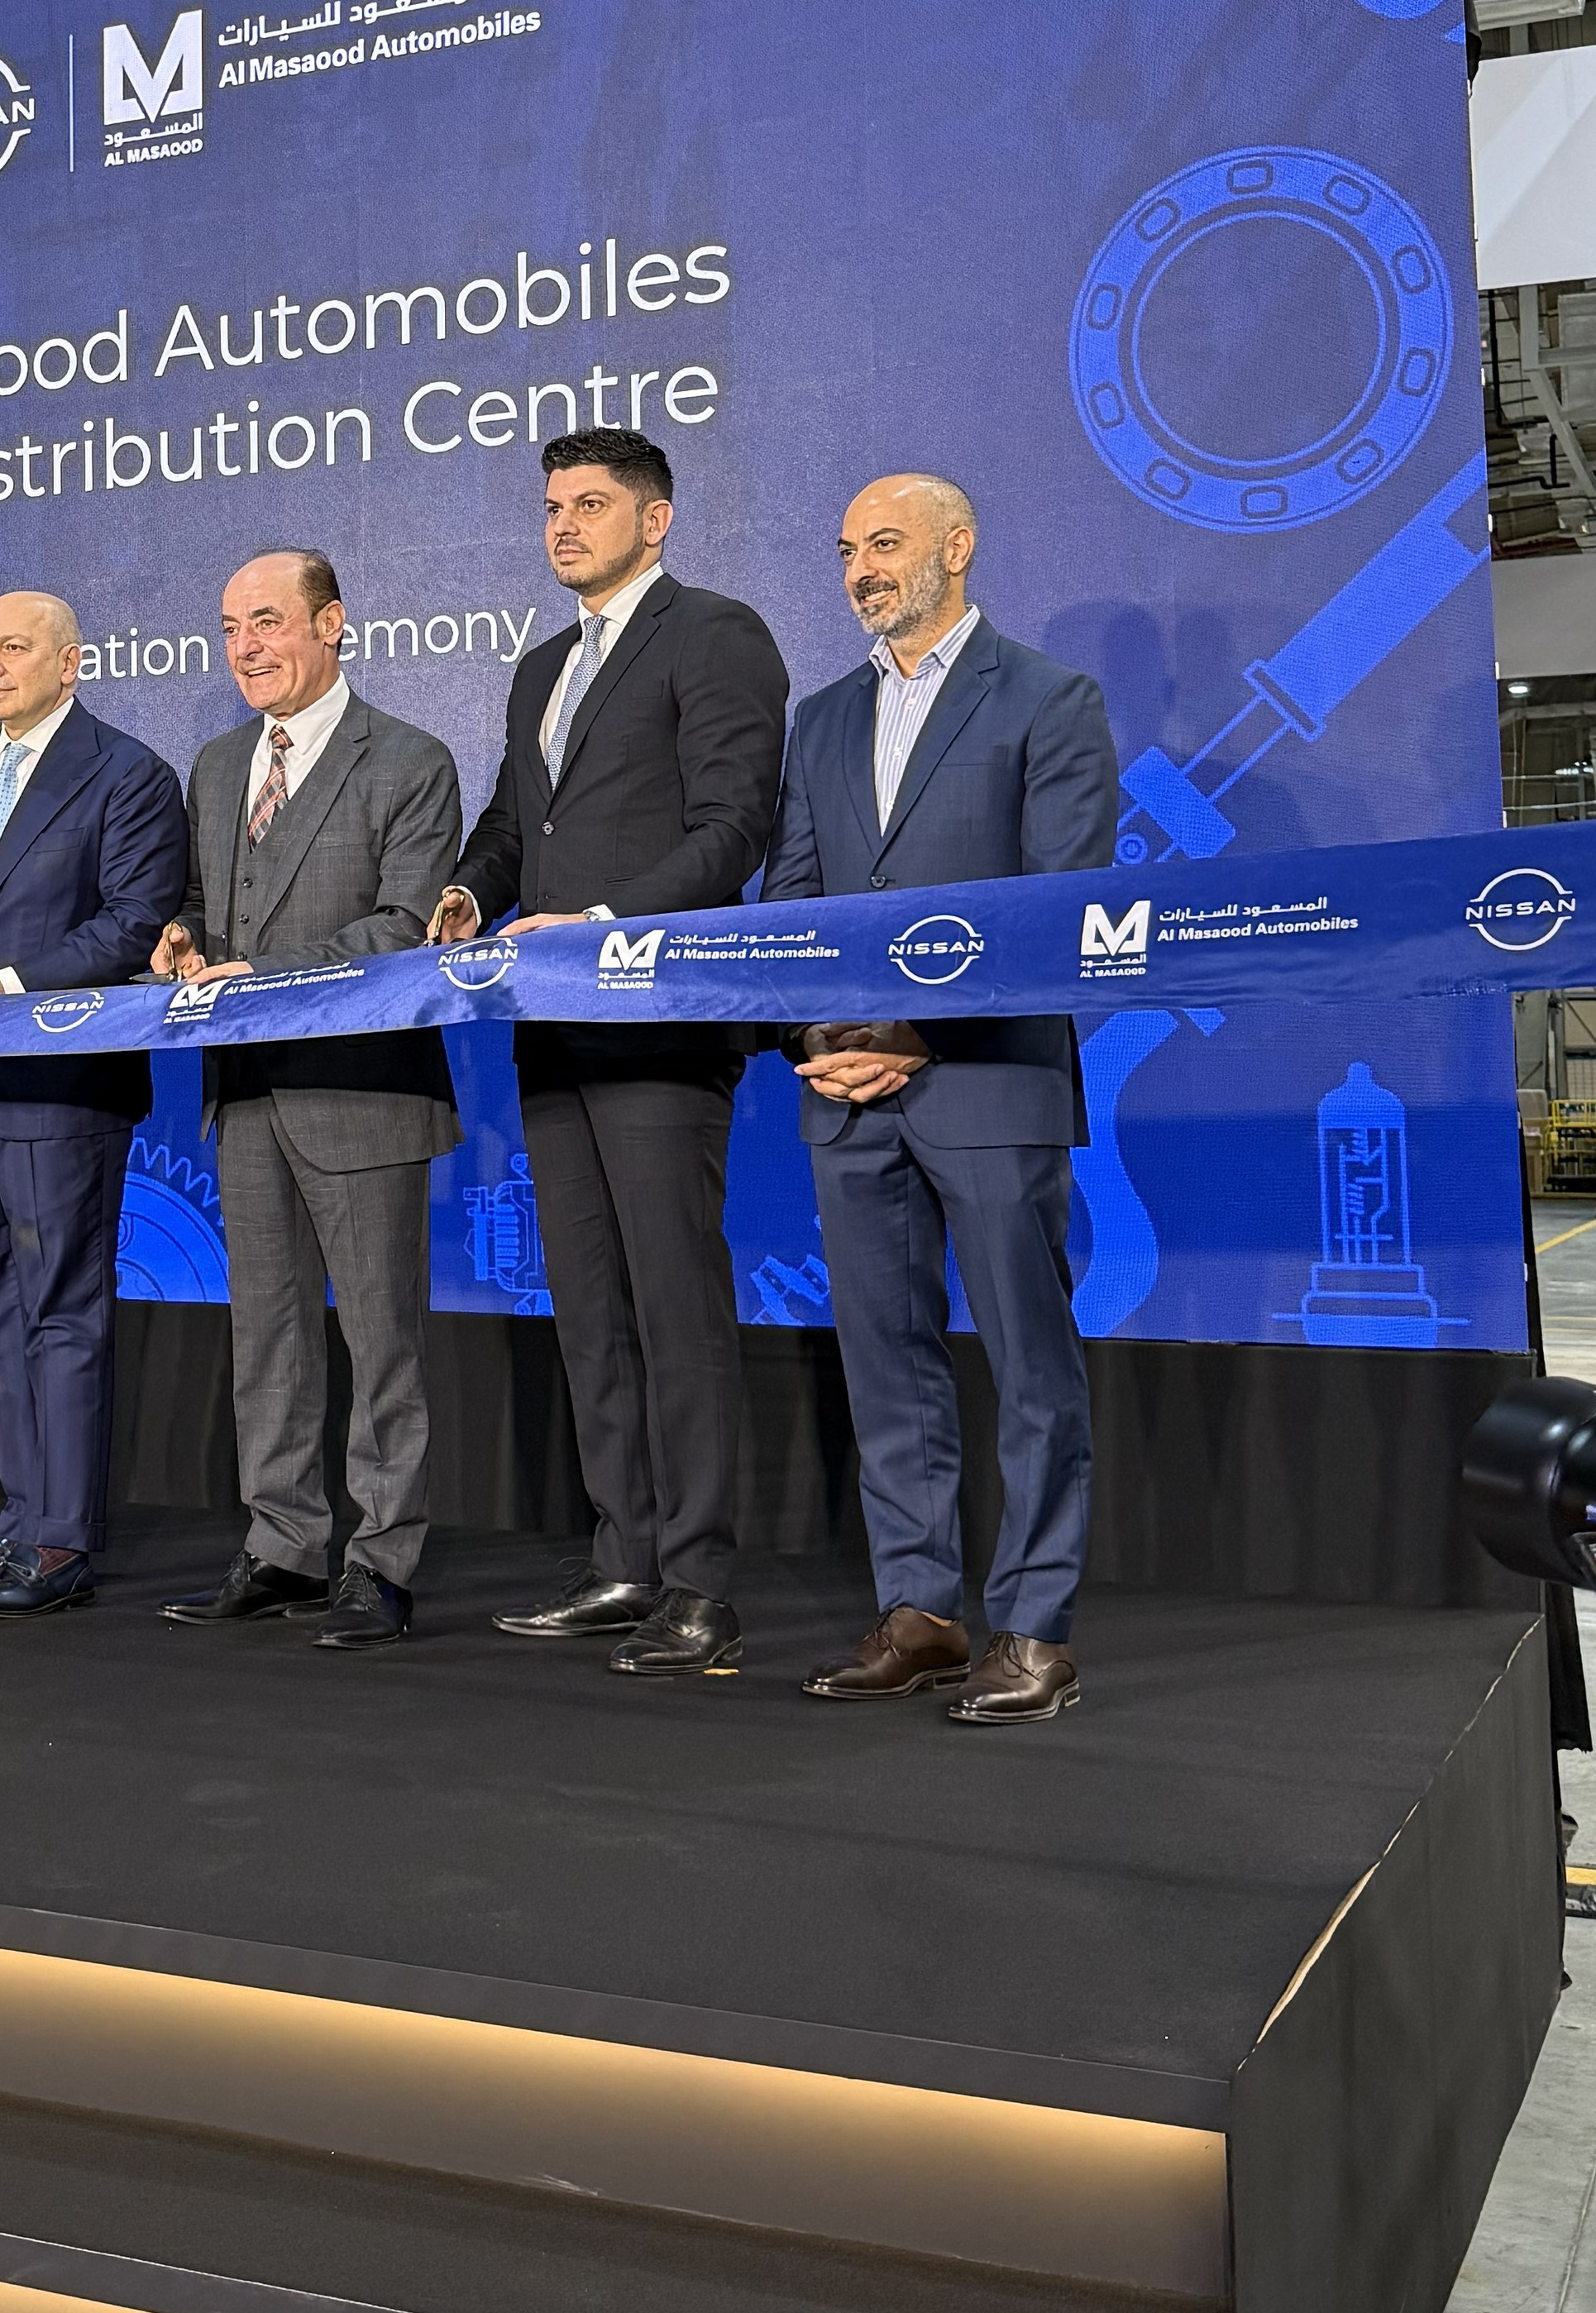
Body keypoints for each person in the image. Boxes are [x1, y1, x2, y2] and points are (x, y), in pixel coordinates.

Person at [432, 432, 790, 1680]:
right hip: (548, 1025)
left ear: (658, 519)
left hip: (657, 1020)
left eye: (591, 504)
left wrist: (599, 925)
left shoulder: (717, 634)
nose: (564, 526)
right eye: (552, 508)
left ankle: (700, 1584)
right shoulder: (543, 665)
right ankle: (624, 1556)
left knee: (673, 1306)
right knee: (587, 1305)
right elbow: (510, 825)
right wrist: (469, 893)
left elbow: (733, 828)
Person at [767, 473, 1121, 1726]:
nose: (861, 569)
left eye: (886, 543)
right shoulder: (820, 719)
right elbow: (790, 904)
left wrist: (915, 1036)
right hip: (843, 1092)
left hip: (990, 1083)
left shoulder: (1050, 700)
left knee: (1031, 1364)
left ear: (957, 548)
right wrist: (819, 1033)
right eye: (846, 549)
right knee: (886, 1365)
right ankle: (920, 1612)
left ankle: (1034, 1630)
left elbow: (1061, 905)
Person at [153, 552, 462, 1655]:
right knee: (268, 1339)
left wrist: (262, 975)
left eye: (268, 622)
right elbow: (203, 904)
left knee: (383, 1346)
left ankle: (382, 1565)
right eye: (231, 627)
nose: (245, 647)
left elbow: (405, 927)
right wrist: (183, 942)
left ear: (332, 625)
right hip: (244, 1096)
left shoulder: (411, 760)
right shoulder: (216, 765)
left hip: (363, 1093)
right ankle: (283, 1547)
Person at [0, 588, 186, 1618]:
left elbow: (134, 921)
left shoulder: (129, 773)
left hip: (64, 1086)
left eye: (13, 648)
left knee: (62, 1311)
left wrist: (9, 985)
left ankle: (61, 1542)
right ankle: (21, 1527)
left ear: (70, 664)